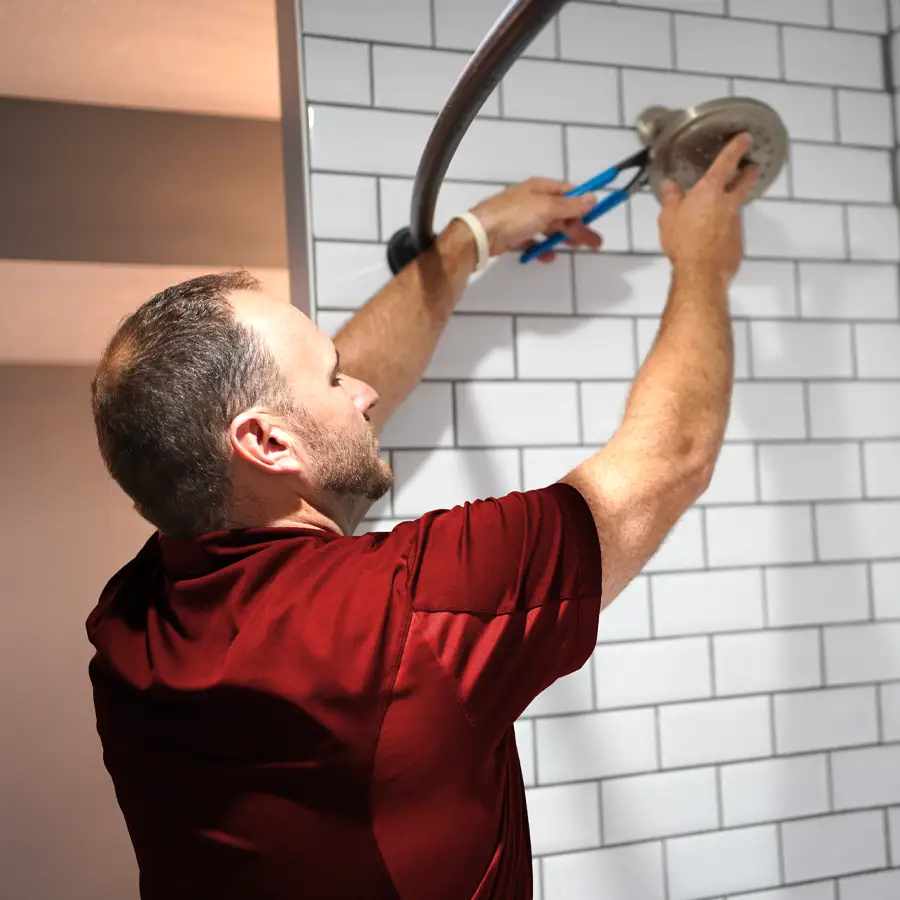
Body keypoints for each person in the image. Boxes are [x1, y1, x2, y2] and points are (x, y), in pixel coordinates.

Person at [87, 134, 758, 900]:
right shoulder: (410, 611)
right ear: (267, 442)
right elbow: (669, 458)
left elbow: (301, 423)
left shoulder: (128, 625)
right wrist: (704, 261)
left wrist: (473, 237)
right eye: (337, 380)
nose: (363, 393)